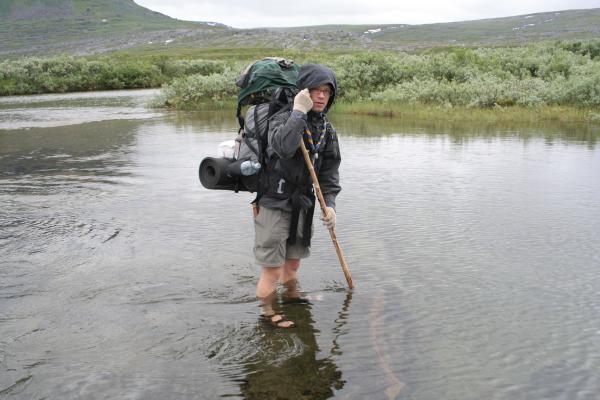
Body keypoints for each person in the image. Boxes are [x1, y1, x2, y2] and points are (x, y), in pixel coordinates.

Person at [253, 63, 341, 328]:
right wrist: (298, 112)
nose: (322, 96)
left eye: (327, 91)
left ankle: (292, 298)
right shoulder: (283, 118)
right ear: (303, 91)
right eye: (315, 90)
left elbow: (329, 173)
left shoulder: (327, 129)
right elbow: (281, 147)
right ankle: (267, 314)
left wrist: (331, 205)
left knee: (292, 266)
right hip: (275, 203)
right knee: (272, 269)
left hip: (304, 206)